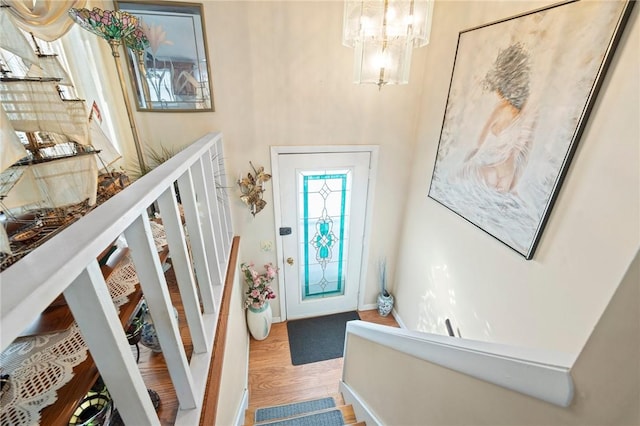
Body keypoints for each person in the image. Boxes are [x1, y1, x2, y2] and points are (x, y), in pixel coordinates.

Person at [462, 42, 536, 194]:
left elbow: (478, 142)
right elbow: (523, 149)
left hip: (491, 168)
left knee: (461, 178)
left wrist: (469, 158)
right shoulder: (524, 115)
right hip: (507, 173)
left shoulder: (500, 109)